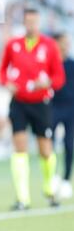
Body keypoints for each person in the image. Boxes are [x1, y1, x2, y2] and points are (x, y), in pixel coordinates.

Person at [0, 8, 65, 210]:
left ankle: (49, 188)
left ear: (39, 22)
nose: (31, 25)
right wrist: (6, 83)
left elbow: (59, 78)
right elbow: (2, 71)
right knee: (20, 148)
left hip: (41, 103)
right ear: (24, 23)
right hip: (19, 102)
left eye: (35, 22)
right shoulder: (13, 45)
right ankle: (23, 198)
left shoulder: (49, 46)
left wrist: (47, 83)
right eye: (28, 21)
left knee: (45, 149)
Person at [51, 33, 74, 199]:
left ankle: (66, 179)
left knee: (69, 144)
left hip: (71, 108)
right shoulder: (49, 64)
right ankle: (52, 176)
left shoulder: (71, 64)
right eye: (63, 42)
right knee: (49, 143)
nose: (66, 46)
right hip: (53, 108)